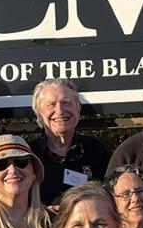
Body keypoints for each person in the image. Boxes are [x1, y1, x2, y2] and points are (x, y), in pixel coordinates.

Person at [28, 78, 109, 207]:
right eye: (51, 105)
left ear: (78, 108)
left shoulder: (95, 150)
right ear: (38, 112)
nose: (59, 111)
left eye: (66, 103)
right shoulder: (28, 155)